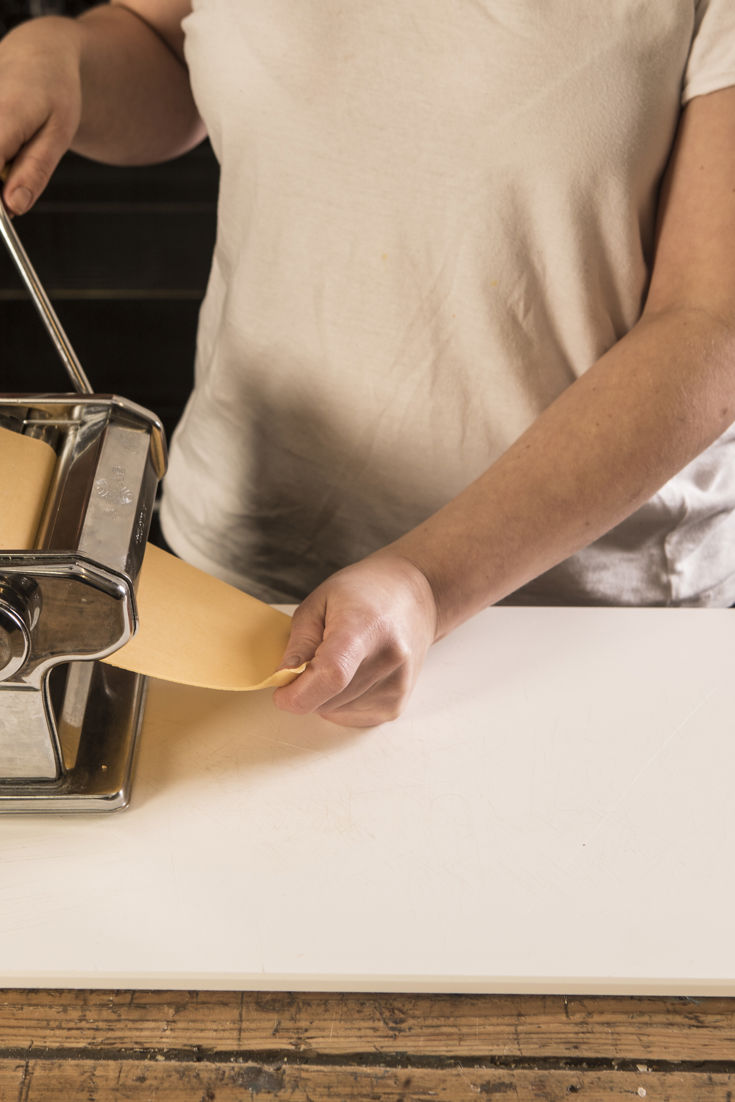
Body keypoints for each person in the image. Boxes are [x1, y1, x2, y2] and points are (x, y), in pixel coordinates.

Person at [1, 1, 735, 727]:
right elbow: (164, 43)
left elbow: (711, 321)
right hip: (236, 575)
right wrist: (64, 55)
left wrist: (427, 579)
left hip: (575, 618)